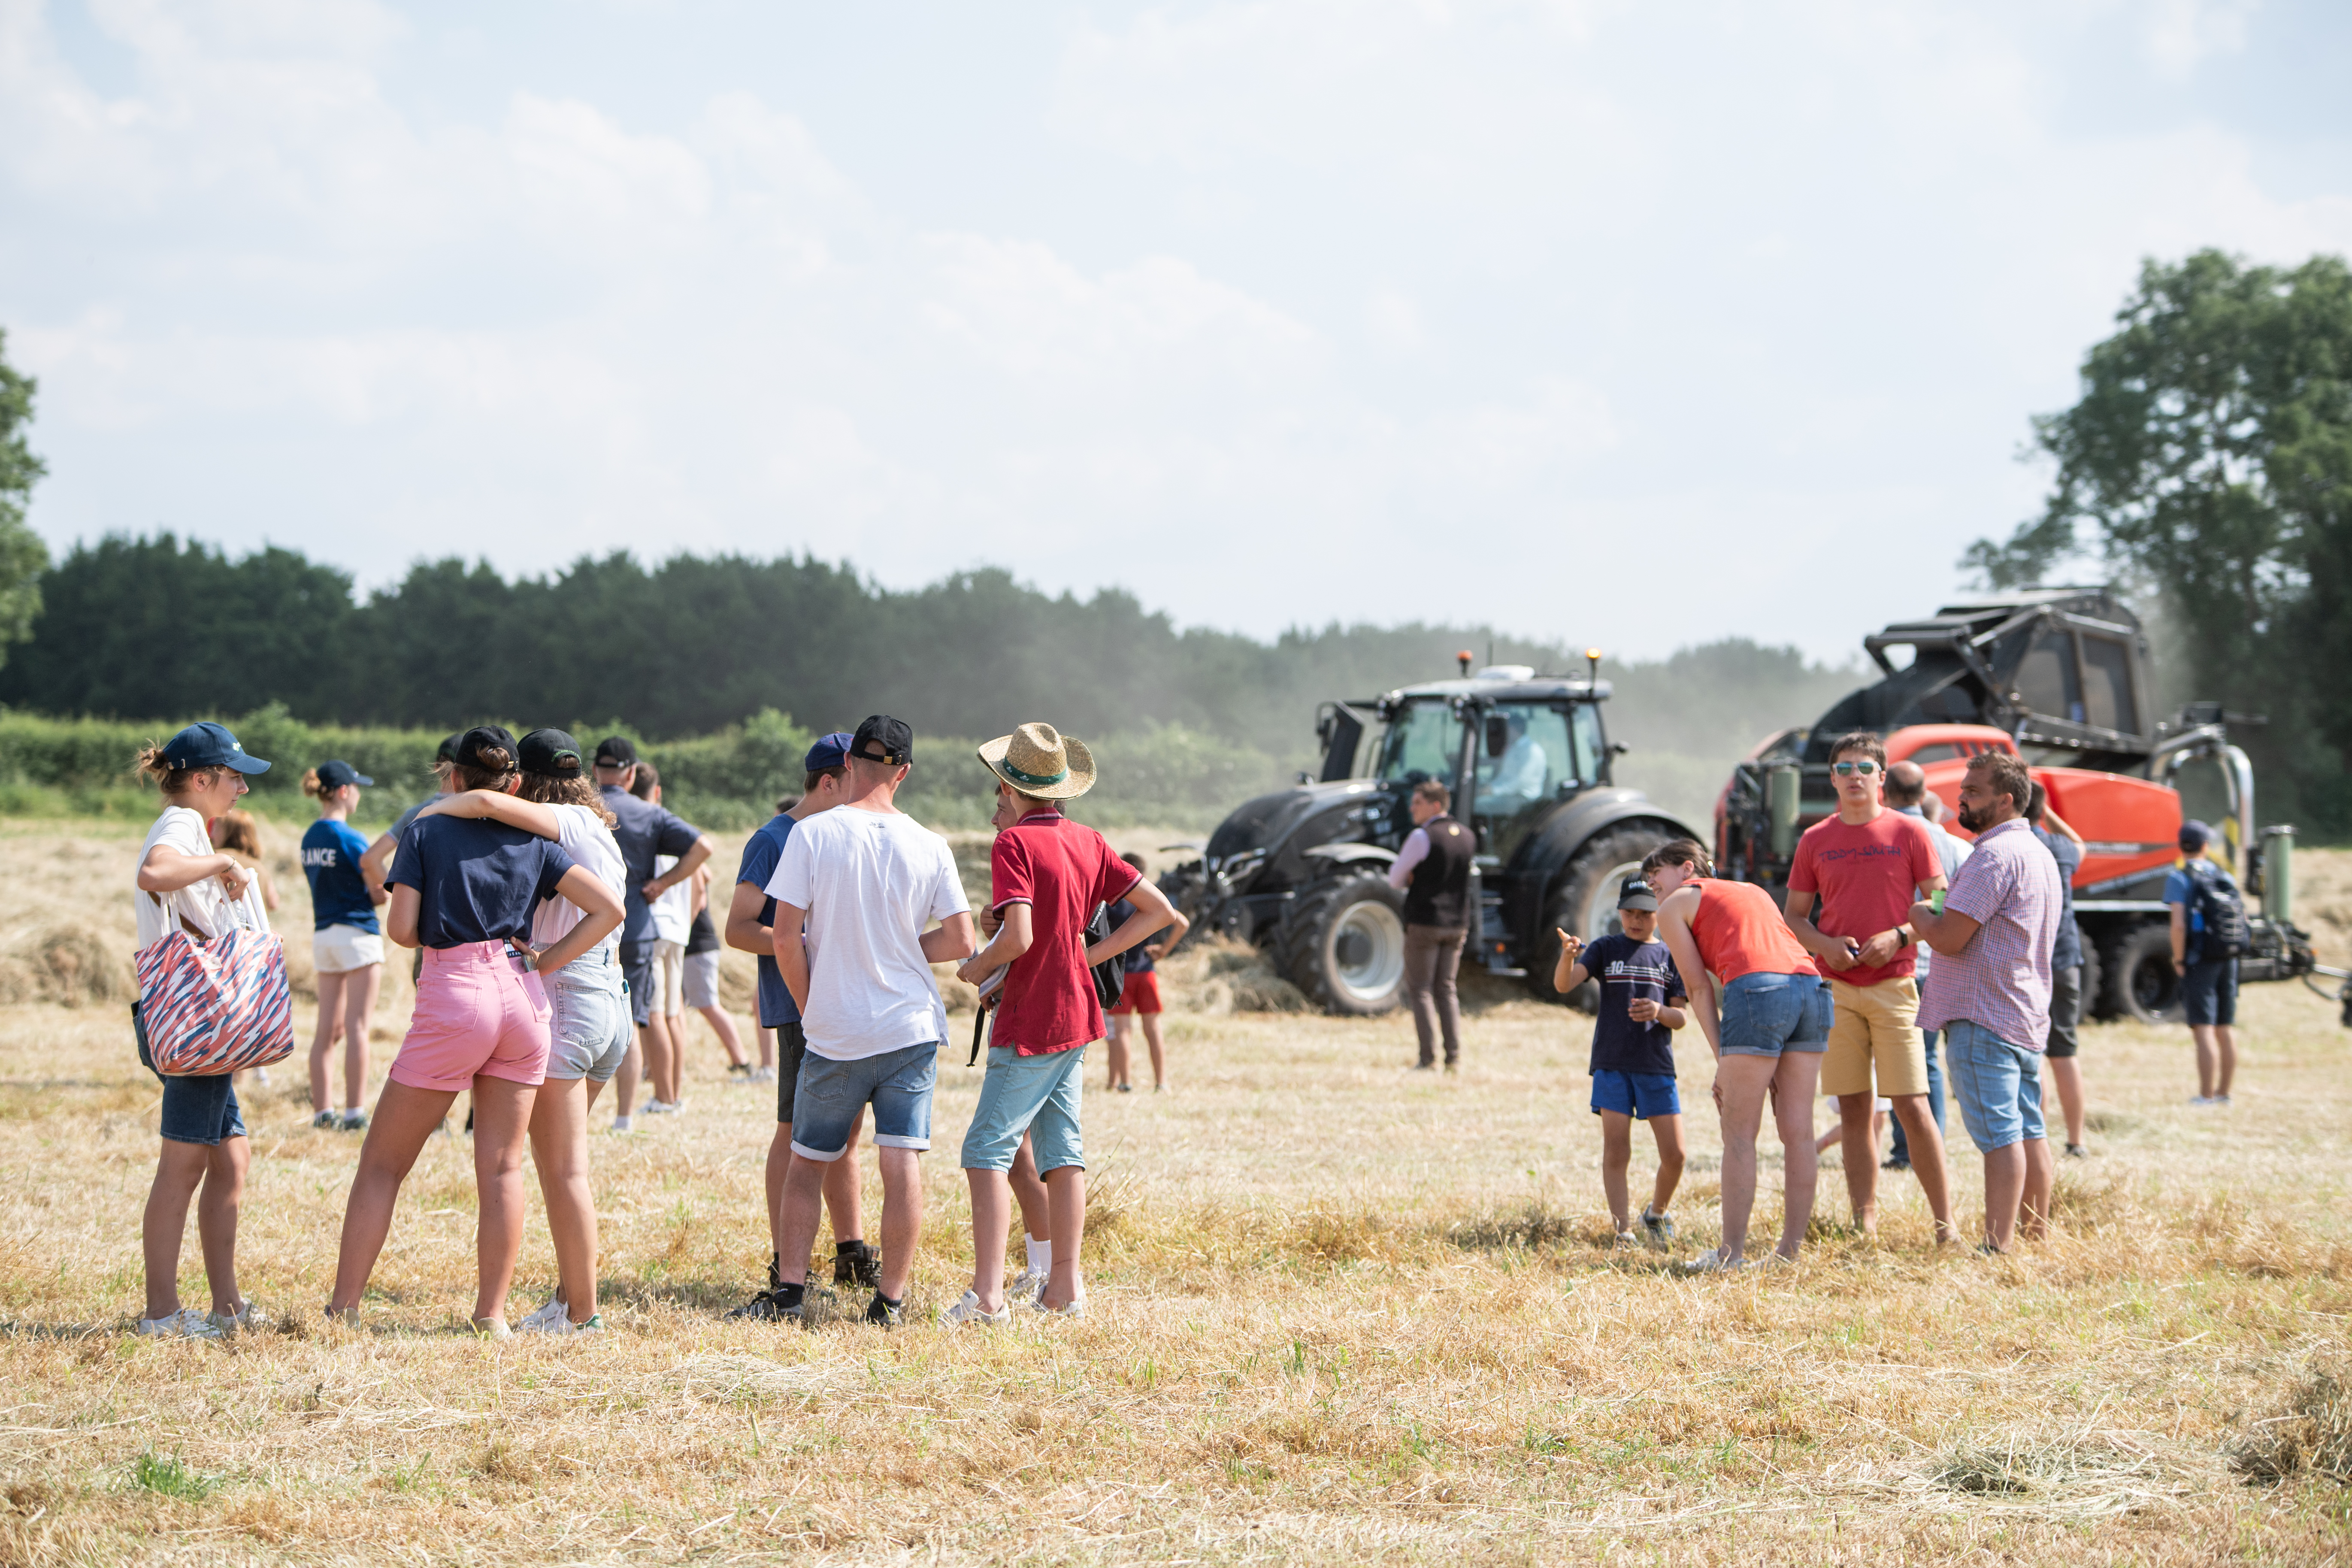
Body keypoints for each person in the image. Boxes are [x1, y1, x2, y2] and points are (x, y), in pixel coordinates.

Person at [327, 727, 624, 1335]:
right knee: (503, 1168)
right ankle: (492, 1313)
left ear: (455, 777)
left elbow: (404, 931)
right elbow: (609, 909)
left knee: (383, 1164)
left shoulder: (426, 830)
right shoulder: (537, 835)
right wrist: (542, 959)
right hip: (524, 998)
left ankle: (344, 1307)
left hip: (455, 992)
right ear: (515, 783)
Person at [944, 724, 1178, 1326]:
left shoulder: (1013, 845)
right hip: (1080, 1011)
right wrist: (1087, 958)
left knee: (984, 1151)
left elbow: (1018, 935)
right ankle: (1064, 1289)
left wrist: (976, 966)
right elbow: (1159, 912)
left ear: (1010, 786)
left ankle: (989, 1296)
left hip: (1032, 1016)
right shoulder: (1087, 839)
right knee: (1062, 1150)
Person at [411, 729, 633, 1335]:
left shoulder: (559, 820)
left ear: (523, 783)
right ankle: (570, 1301)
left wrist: (430, 812)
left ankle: (583, 1314)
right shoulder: (597, 826)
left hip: (571, 995)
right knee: (567, 1167)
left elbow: (482, 804)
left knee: (562, 1171)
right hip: (611, 1004)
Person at [766, 716, 976, 1326]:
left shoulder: (811, 834)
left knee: (809, 1159)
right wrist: (905, 949)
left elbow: (785, 938)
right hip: (909, 1025)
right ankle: (889, 1300)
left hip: (837, 1028)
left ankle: (790, 1294)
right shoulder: (931, 843)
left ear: (849, 762)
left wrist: (811, 1007)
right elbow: (961, 937)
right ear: (904, 772)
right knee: (900, 1157)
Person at [723, 735, 880, 1322]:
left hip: (849, 1003)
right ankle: (785, 1262)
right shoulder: (773, 839)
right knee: (797, 1134)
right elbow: (739, 928)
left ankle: (850, 1251)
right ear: (829, 781)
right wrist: (808, 946)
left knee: (844, 1136)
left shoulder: (849, 833)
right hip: (799, 1006)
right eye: (857, 782)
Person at [1780, 733, 1956, 1244]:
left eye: (1864, 767)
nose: (1854, 776)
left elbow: (1944, 903)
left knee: (1912, 1106)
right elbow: (1794, 917)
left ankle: (1946, 1229)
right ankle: (1865, 1225)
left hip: (1897, 986)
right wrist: (1825, 945)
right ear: (1832, 779)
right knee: (1855, 1111)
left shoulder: (1910, 832)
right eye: (1843, 768)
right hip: (1835, 991)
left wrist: (1901, 934)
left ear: (1882, 777)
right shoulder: (1815, 840)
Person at [130, 723, 275, 1338]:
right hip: (195, 1022)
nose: (242, 786)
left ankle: (227, 1304)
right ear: (199, 779)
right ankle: (162, 1313)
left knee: (231, 1160)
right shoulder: (182, 826)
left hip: (200, 1024)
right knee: (183, 1166)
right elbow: (155, 873)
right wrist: (222, 862)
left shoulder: (194, 825)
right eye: (234, 774)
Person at [1647, 839, 1829, 1271]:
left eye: (1656, 877)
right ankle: (1788, 1253)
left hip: (1760, 990)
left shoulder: (1674, 905)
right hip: (1812, 987)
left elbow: (1697, 987)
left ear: (1687, 868)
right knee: (1799, 1133)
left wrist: (1722, 1061)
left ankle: (1730, 1255)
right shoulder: (1751, 889)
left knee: (1739, 1133)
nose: (1652, 886)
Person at [1910, 752, 2062, 1254]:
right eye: (1963, 790)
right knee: (2029, 1128)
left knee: (2000, 1135)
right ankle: (2035, 1236)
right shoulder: (2039, 853)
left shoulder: (1992, 856)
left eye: (1973, 792)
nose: (1962, 799)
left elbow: (1951, 938)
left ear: (2006, 800)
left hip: (1982, 1012)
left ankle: (1998, 1247)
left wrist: (1919, 917)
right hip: (2022, 1010)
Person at [1554, 875, 1689, 1249]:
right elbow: (1564, 985)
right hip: (1612, 1063)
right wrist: (1567, 956)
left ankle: (1657, 1213)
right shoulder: (1604, 948)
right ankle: (1623, 1230)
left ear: (1658, 915)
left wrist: (1659, 1011)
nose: (1636, 920)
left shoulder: (1669, 956)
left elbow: (1680, 1018)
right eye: (1629, 912)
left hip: (1656, 1065)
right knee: (1617, 1148)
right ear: (1618, 912)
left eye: (1645, 913)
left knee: (1676, 1154)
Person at [592, 737, 716, 1133]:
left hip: (580, 928)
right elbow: (703, 847)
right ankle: (627, 1115)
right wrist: (661, 884)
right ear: (630, 774)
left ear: (595, 771)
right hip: (636, 927)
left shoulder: (579, 810)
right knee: (636, 1020)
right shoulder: (648, 813)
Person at [1881, 762, 1971, 1171]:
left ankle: (1906, 1150)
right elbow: (1950, 901)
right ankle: (1929, 1144)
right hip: (1940, 961)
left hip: (1894, 960)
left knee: (1897, 1062)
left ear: (1884, 792)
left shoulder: (1881, 835)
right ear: (1923, 795)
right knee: (1928, 1059)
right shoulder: (1953, 844)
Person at [297, 761, 388, 1131]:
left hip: (324, 936)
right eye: (356, 787)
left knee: (325, 1031)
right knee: (358, 1027)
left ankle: (322, 1113)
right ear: (343, 791)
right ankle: (354, 1113)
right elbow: (379, 894)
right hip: (357, 935)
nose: (359, 794)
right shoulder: (352, 838)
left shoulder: (309, 837)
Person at [1386, 778, 1473, 1071]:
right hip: (1458, 923)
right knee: (1446, 989)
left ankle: (1427, 1059)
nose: (1411, 808)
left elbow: (1395, 879)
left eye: (1417, 803)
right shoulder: (1467, 836)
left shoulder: (1421, 837)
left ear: (1435, 805)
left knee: (1421, 989)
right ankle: (1454, 1058)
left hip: (1425, 922)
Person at [2028, 784, 2089, 1156]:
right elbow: (2080, 843)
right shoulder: (2062, 849)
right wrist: (2048, 813)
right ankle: (2076, 1141)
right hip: (2065, 957)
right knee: (2064, 1053)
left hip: (2029, 963)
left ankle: (2039, 1141)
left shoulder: (2014, 846)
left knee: (2031, 1054)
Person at [633, 761, 696, 1114]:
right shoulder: (677, 830)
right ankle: (673, 1093)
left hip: (652, 929)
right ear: (657, 792)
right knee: (672, 1016)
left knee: (654, 1016)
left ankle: (664, 1098)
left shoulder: (640, 827)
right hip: (677, 930)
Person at [2168, 820, 2241, 1107]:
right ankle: (2224, 1094)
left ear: (2181, 846)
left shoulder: (2179, 877)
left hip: (2199, 958)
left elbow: (2177, 926)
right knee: (2224, 1027)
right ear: (2206, 846)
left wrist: (2178, 959)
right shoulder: (2225, 876)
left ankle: (2206, 1096)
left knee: (2203, 1028)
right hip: (2227, 954)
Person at [1105, 852, 1190, 1093]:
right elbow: (1182, 923)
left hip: (1120, 973)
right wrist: (1164, 950)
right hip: (1146, 971)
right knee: (1153, 1029)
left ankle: (1125, 1082)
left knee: (1123, 1030)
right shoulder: (1150, 898)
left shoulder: (1114, 901)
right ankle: (1161, 1082)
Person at [212, 808, 282, 1092]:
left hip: (220, 943)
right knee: (250, 1009)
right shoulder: (258, 867)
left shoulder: (214, 860)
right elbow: (274, 903)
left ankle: (232, 1074)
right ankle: (255, 1067)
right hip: (254, 946)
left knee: (225, 1010)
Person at [681, 866, 752, 1078]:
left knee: (708, 1005)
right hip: (693, 947)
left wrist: (681, 931)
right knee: (680, 1007)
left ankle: (742, 1061)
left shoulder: (691, 866)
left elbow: (699, 898)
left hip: (697, 947)